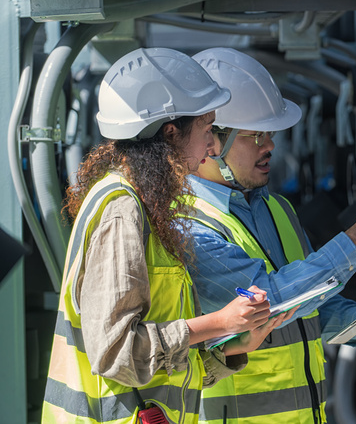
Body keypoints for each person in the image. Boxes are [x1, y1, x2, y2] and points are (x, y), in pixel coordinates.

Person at [41, 47, 297, 424]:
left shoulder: (146, 205)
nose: (212, 147)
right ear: (171, 133)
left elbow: (162, 369)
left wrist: (230, 349)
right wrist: (221, 322)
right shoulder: (122, 209)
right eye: (208, 130)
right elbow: (117, 354)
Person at [183, 47, 356, 424]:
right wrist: (355, 237)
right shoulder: (189, 223)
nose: (269, 145)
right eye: (254, 136)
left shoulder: (278, 209)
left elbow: (308, 308)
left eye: (269, 134)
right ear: (211, 145)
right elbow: (267, 303)